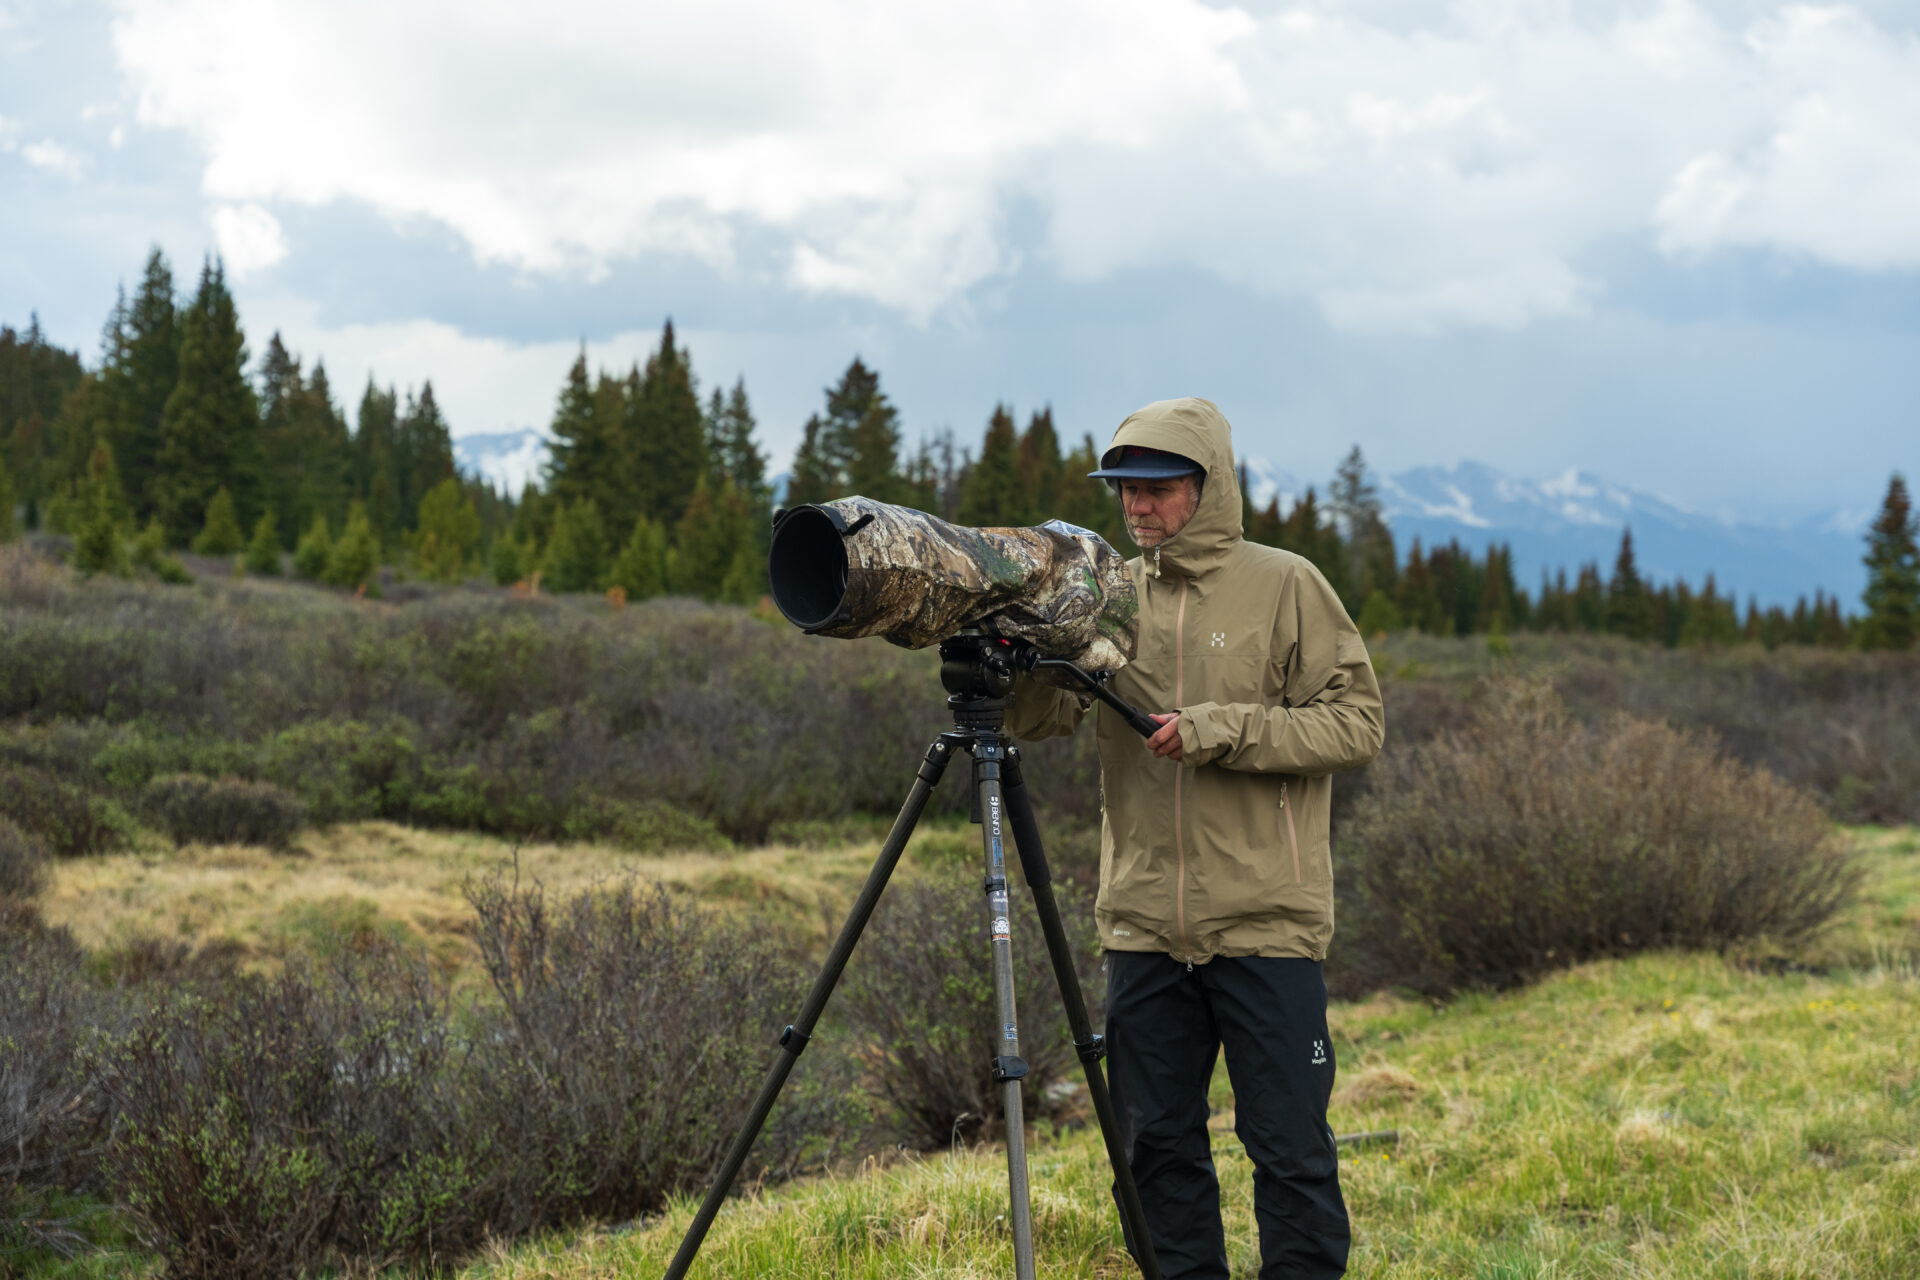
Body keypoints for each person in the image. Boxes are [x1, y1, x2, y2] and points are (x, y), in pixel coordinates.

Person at [1006, 397, 1384, 1279]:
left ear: (1207, 489)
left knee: (1290, 1152)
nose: (1136, 507)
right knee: (1155, 1158)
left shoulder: (1286, 584)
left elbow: (1357, 724)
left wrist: (1220, 728)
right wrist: (1015, 657)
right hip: (1141, 928)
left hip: (1266, 925)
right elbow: (1048, 717)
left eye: (1157, 489)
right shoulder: (1107, 595)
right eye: (1124, 491)